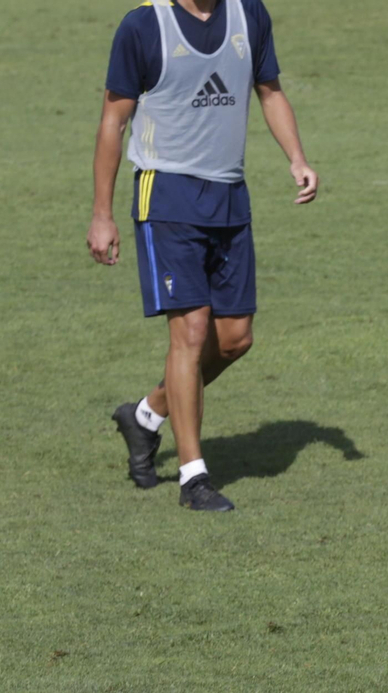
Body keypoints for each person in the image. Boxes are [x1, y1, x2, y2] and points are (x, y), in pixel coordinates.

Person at [91, 0, 319, 511]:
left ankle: (147, 415)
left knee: (235, 338)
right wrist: (101, 214)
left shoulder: (250, 16)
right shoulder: (143, 25)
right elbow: (113, 120)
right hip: (166, 195)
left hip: (230, 197)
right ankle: (193, 479)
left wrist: (298, 159)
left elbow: (270, 91)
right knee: (191, 332)